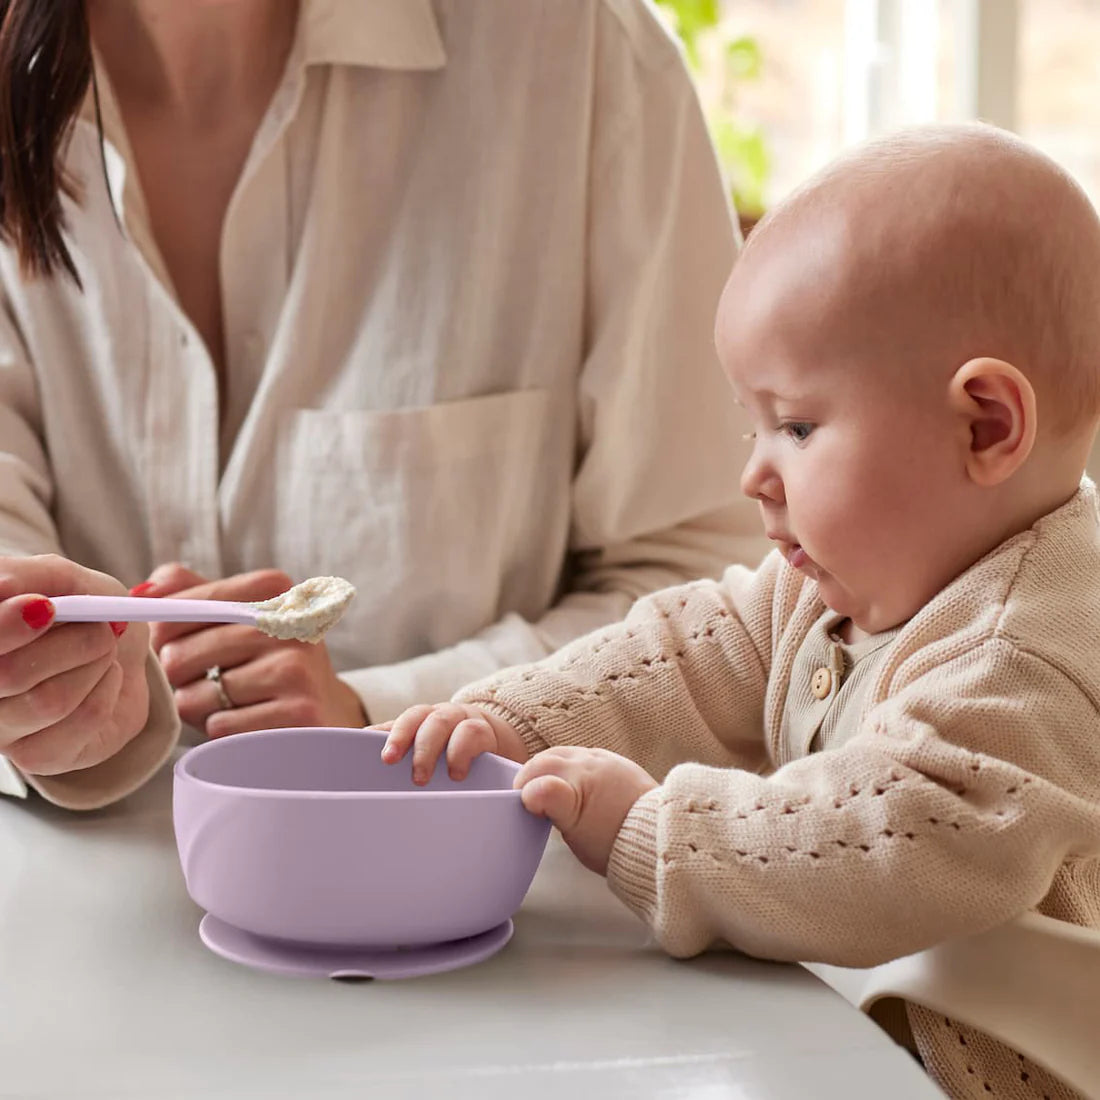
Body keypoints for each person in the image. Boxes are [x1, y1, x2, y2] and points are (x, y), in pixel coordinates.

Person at [382, 124, 1100, 1099]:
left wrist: (652, 825)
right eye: (751, 423)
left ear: (984, 424)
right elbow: (685, 647)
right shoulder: (848, 576)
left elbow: (891, 840)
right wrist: (514, 716)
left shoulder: (1024, 654)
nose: (752, 474)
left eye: (796, 425)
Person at [0, 0, 767, 811]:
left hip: (498, 908)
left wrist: (382, 714)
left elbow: (719, 603)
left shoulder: (578, 62)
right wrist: (59, 709)